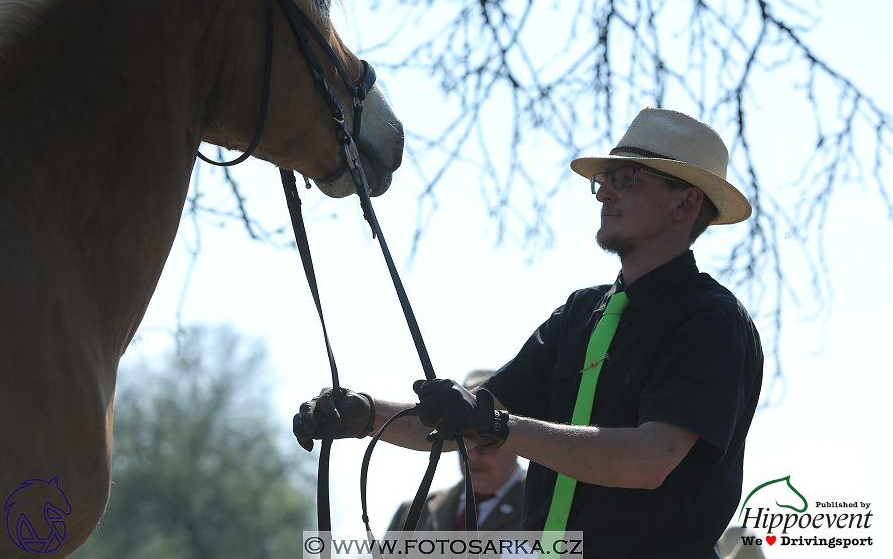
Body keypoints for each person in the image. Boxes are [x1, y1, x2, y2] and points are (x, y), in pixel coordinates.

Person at [294, 108, 764, 558]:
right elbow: (470, 419)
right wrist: (364, 415)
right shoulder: (582, 313)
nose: (603, 194)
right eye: (605, 180)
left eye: (628, 179)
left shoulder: (712, 323)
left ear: (686, 201)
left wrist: (497, 427)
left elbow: (649, 459)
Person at [386, 370, 526, 534]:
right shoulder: (412, 514)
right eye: (462, 444)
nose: (472, 457)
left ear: (517, 439)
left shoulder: (549, 507)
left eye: (484, 446)